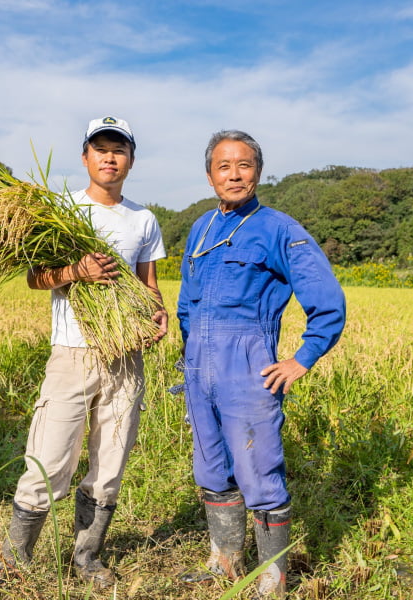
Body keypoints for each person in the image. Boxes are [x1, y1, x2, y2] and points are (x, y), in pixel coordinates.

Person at [0, 116, 167, 589]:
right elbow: (36, 278)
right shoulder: (61, 212)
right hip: (72, 354)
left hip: (125, 355)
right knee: (50, 459)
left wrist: (159, 315)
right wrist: (76, 270)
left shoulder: (143, 219)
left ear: (131, 160)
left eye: (119, 150)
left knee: (110, 461)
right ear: (85, 157)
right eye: (101, 148)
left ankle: (87, 557)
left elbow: (148, 285)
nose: (110, 157)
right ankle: (16, 558)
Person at [176, 130, 346, 598]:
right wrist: (188, 354)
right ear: (210, 174)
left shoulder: (279, 229)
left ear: (258, 172)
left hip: (247, 363)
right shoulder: (201, 227)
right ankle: (225, 564)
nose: (234, 174)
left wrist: (302, 359)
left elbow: (327, 302)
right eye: (224, 166)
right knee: (211, 469)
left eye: (244, 165)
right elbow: (187, 302)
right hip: (198, 366)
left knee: (259, 471)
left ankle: (271, 581)